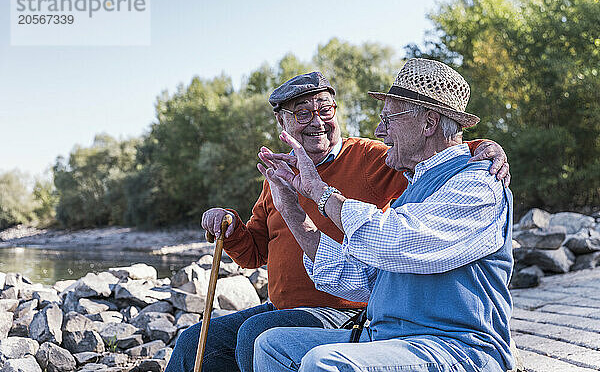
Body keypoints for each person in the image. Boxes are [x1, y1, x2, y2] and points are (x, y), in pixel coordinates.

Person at [166, 71, 511, 372]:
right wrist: (258, 218)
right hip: (372, 326)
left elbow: (442, 164)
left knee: (261, 339)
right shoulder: (283, 175)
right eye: (303, 114)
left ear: (429, 122)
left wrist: (487, 147)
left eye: (325, 110)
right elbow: (262, 253)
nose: (380, 130)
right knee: (198, 342)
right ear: (282, 124)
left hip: (432, 339)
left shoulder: (456, 177)